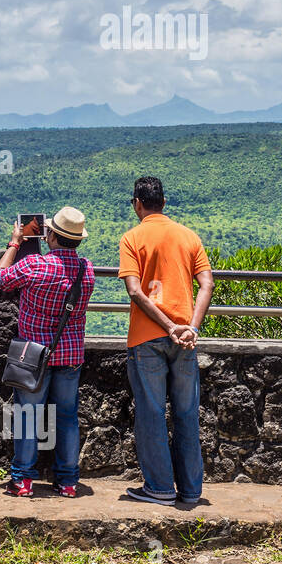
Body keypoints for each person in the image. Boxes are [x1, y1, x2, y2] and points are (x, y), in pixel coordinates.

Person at [119, 176, 214, 506]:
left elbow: (135, 291)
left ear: (138, 204)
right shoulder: (189, 236)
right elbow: (207, 285)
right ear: (163, 202)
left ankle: (159, 488)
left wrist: (167, 326)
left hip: (147, 339)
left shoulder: (132, 238)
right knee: (187, 414)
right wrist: (189, 327)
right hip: (186, 340)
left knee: (151, 413)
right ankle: (190, 491)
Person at [0, 206, 96, 498]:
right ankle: (68, 482)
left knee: (28, 415)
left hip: (33, 355)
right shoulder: (86, 270)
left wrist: (15, 242)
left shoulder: (35, 265)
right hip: (70, 354)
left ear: (50, 235)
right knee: (67, 417)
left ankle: (23, 481)